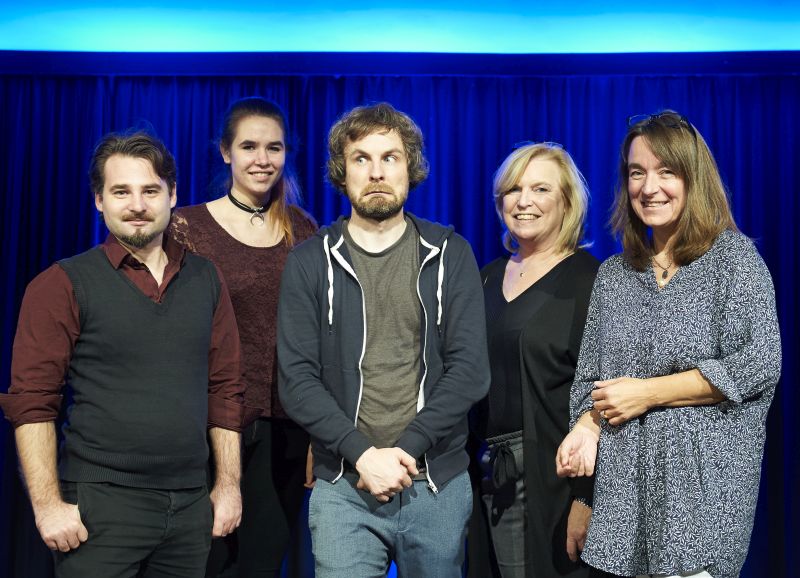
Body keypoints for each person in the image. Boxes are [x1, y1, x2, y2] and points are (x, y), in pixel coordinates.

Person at [0, 131, 247, 577]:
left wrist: (228, 487)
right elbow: (32, 403)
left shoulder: (206, 278)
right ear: (99, 200)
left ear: (173, 194)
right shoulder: (61, 284)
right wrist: (47, 506)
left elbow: (226, 390)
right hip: (100, 507)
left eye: (150, 190)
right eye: (121, 192)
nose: (137, 205)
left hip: (191, 506)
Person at [556, 111, 781, 578]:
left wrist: (647, 392)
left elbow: (759, 362)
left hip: (699, 516)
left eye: (666, 171)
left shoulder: (734, 260)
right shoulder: (614, 277)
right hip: (620, 518)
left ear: (693, 178)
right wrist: (583, 471)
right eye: (637, 172)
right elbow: (590, 390)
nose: (649, 187)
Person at [277, 102, 490, 577]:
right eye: (361, 159)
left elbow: (469, 369)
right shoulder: (310, 261)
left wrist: (406, 448)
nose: (376, 172)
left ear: (410, 167)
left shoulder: (450, 253)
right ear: (342, 170)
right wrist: (363, 455)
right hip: (343, 485)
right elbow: (296, 380)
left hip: (435, 479)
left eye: (390, 158)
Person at [169, 97, 317, 577]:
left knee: (261, 562)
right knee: (207, 562)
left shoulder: (302, 229)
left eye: (274, 147)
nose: (262, 159)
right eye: (249, 146)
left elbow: (321, 334)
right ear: (225, 151)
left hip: (287, 425)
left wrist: (320, 435)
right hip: (211, 423)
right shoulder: (187, 226)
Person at [478, 142, 600, 577]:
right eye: (513, 189)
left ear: (567, 201)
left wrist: (585, 500)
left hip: (552, 480)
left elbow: (607, 396)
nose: (524, 201)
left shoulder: (593, 281)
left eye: (541, 189)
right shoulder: (486, 276)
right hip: (484, 477)